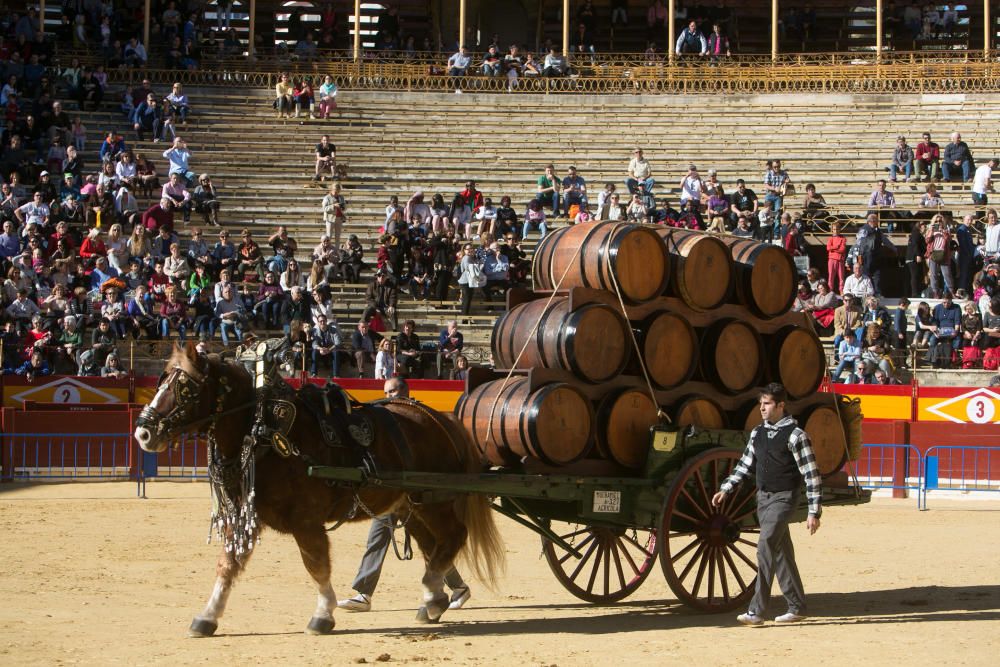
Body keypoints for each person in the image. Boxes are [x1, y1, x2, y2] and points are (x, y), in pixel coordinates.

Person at [338, 377, 473, 613]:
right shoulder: (385, 421)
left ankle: (457, 586)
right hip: (392, 490)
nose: (388, 396)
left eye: (393, 391)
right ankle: (364, 593)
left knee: (430, 540)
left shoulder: (415, 421)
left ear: (405, 391)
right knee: (379, 538)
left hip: (414, 493)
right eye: (386, 392)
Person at [711, 383, 821, 626]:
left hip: (784, 498)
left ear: (781, 406)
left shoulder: (796, 435)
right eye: (761, 403)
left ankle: (757, 610)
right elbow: (745, 464)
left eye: (767, 403)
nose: (762, 408)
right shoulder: (757, 433)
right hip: (763, 498)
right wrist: (726, 488)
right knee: (781, 552)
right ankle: (797, 606)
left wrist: (814, 511)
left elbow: (811, 474)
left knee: (765, 546)